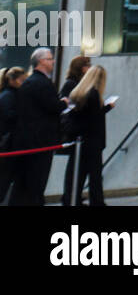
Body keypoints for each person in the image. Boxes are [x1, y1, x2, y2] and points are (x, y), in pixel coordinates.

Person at [8, 48, 64, 206]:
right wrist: (63, 103)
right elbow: (52, 107)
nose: (53, 61)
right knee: (36, 183)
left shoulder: (30, 82)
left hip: (27, 141)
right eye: (50, 58)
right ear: (41, 62)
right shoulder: (43, 84)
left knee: (23, 184)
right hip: (40, 142)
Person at [64, 65, 113, 205]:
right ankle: (97, 202)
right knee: (95, 177)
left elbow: (83, 117)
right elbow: (94, 119)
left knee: (76, 175)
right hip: (92, 142)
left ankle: (71, 200)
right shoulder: (94, 95)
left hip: (79, 141)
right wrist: (106, 108)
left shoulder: (77, 93)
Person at [57, 55, 91, 205]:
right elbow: (66, 106)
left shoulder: (79, 83)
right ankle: (70, 196)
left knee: (79, 166)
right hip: (74, 129)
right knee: (75, 166)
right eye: (88, 65)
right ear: (82, 68)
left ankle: (74, 195)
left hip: (79, 128)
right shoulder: (71, 84)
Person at [0, 67, 27, 204]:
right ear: (13, 80)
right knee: (4, 180)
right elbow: (9, 117)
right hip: (8, 145)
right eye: (22, 80)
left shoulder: (10, 95)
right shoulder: (9, 96)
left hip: (11, 144)